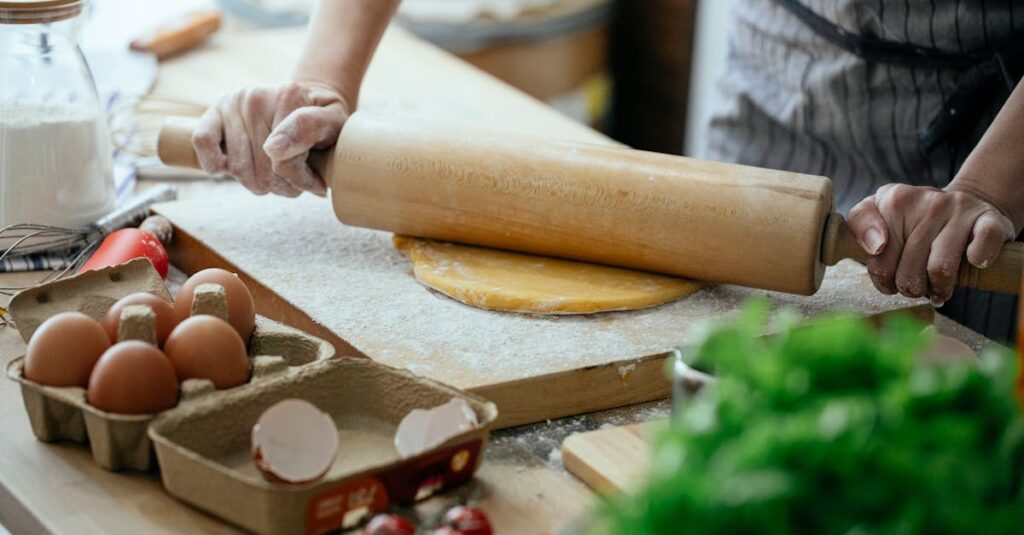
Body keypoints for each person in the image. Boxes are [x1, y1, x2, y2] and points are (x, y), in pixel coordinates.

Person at [192, 0, 1024, 341]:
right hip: (785, 62)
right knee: (729, 330)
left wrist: (986, 188)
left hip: (990, 125)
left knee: (941, 397)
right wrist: (324, 83)